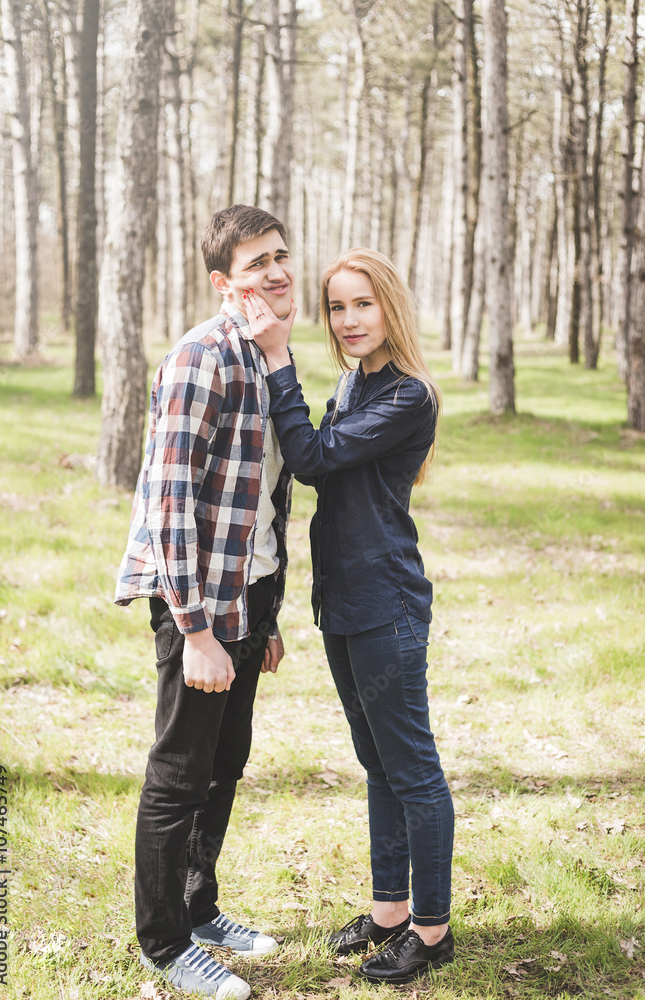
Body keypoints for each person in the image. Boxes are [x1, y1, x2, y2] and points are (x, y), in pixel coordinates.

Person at [245, 247, 455, 985]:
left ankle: (431, 930)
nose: (348, 319)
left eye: (362, 303)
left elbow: (310, 457)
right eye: (337, 306)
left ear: (389, 306)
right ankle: (389, 911)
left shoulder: (410, 396)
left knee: (412, 769)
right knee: (377, 764)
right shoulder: (354, 381)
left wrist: (278, 361)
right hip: (341, 602)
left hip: (384, 603)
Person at [114, 204, 297, 999]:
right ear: (224, 282)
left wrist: (266, 617)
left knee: (224, 764)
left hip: (248, 597)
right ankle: (163, 944)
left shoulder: (267, 354)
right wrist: (195, 630)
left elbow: (263, 497)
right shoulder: (203, 356)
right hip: (197, 603)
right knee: (180, 772)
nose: (276, 272)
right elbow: (169, 504)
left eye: (280, 255)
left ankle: (198, 909)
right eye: (257, 263)